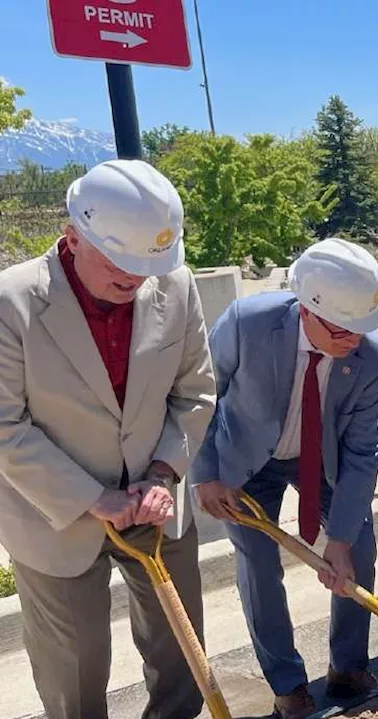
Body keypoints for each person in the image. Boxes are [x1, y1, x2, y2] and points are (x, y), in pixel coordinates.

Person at [0, 160, 216, 719]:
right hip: (55, 517)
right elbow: (3, 424)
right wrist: (94, 498)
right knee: (75, 669)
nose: (137, 282)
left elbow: (195, 392)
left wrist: (164, 473)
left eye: (148, 269)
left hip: (155, 502)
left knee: (182, 652)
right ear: (73, 236)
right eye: (122, 268)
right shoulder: (11, 301)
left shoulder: (176, 283)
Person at [191, 239, 378, 718]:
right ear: (307, 311)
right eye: (344, 331)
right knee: (259, 567)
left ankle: (347, 667)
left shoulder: (375, 359)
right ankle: (287, 684)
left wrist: (339, 539)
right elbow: (199, 395)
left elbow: (364, 452)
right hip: (243, 462)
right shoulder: (248, 324)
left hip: (320, 461)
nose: (356, 341)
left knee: (359, 549)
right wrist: (206, 475)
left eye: (362, 330)